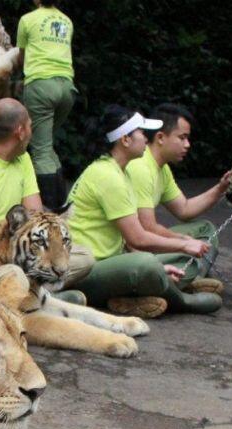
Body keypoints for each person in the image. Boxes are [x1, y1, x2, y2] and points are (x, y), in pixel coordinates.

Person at [66, 105, 223, 318]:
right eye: (141, 133)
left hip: (112, 262)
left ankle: (144, 291)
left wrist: (163, 264)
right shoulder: (108, 176)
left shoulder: (120, 172)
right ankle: (181, 299)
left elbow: (131, 242)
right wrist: (184, 244)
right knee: (147, 264)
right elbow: (138, 238)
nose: (145, 138)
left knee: (155, 264)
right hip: (87, 270)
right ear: (125, 140)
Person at [0, 97, 91, 300]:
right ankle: (38, 299)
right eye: (30, 125)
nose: (32, 131)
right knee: (16, 273)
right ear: (20, 131)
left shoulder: (23, 159)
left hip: (20, 252)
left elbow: (35, 216)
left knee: (85, 258)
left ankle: (35, 295)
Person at [125, 103, 232, 293]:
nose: (187, 145)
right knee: (189, 254)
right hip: (131, 249)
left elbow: (184, 209)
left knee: (206, 229)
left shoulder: (162, 167)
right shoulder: (140, 166)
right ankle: (182, 280)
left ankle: (188, 278)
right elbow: (146, 229)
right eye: (182, 138)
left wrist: (220, 188)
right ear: (160, 137)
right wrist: (184, 242)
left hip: (143, 244)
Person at [17, 0, 77, 210]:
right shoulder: (66, 21)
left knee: (40, 150)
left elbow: (22, 56)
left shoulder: (27, 19)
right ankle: (63, 202)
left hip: (41, 85)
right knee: (46, 145)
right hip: (67, 87)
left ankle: (52, 208)